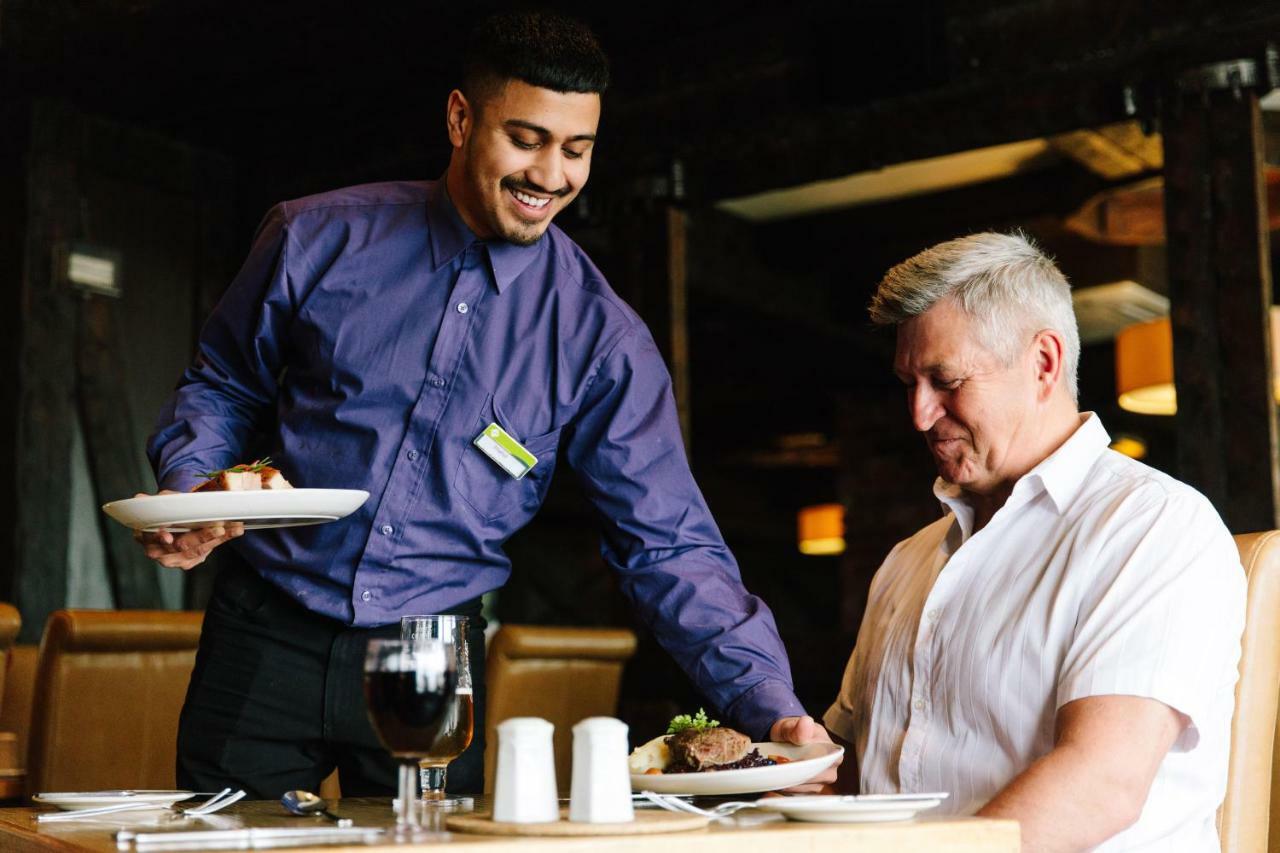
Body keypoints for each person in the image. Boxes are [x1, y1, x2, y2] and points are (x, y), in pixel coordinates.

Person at [140, 10, 832, 798]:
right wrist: (190, 486)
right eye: (528, 139)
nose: (552, 174)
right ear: (461, 119)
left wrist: (769, 706)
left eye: (577, 149)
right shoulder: (314, 236)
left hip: (433, 654)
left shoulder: (601, 337)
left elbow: (667, 543)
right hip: (267, 626)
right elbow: (223, 381)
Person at [822, 232, 1244, 850]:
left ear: (1043, 363)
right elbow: (863, 776)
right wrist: (803, 777)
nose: (919, 413)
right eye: (908, 383)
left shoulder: (1153, 526)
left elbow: (1100, 784)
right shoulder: (906, 561)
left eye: (945, 379)